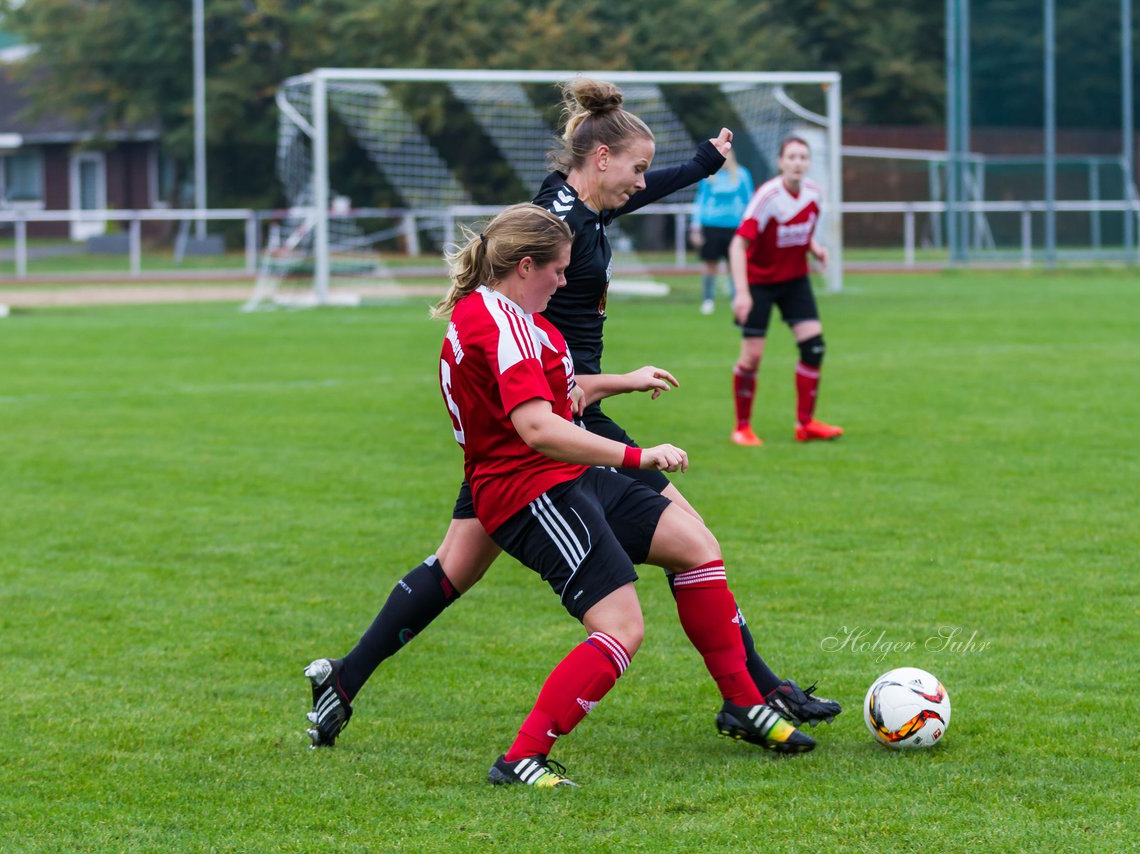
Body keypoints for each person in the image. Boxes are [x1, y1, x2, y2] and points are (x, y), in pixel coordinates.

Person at [304, 79, 840, 751]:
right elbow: (525, 347)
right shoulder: (557, 229)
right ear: (602, 159)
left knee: (453, 571)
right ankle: (754, 696)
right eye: (636, 168)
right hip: (556, 419)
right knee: (690, 545)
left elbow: (626, 197)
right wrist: (612, 408)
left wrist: (700, 165)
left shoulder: (571, 207)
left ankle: (343, 679)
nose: (640, 183)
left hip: (547, 416)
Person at [448, 204, 815, 786]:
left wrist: (626, 379)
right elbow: (539, 427)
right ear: (524, 266)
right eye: (559, 271)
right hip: (528, 491)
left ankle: (743, 703)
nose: (565, 282)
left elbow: (564, 396)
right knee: (621, 628)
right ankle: (520, 759)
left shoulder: (512, 318)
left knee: (695, 545)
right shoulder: (503, 326)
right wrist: (638, 457)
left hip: (561, 475)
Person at [728, 134, 843, 446]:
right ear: (781, 162)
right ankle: (742, 428)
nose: (797, 163)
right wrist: (742, 292)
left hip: (794, 280)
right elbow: (739, 245)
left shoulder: (814, 195)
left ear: (808, 164)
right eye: (791, 157)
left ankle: (805, 424)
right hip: (759, 283)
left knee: (814, 348)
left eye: (803, 158)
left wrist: (815, 249)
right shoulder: (767, 197)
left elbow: (800, 232)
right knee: (751, 359)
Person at [689, 149, 753, 315]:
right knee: (711, 265)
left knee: (735, 265)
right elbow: (701, 201)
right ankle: (708, 299)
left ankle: (736, 298)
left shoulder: (742, 175)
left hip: (734, 227)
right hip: (711, 226)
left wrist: (750, 226)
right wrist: (696, 227)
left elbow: (750, 201)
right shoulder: (710, 176)